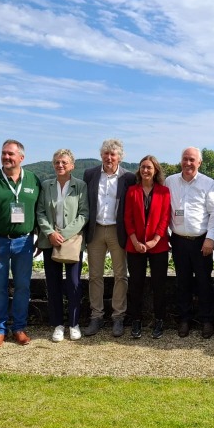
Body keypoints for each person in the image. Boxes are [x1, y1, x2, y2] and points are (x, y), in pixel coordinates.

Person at [0, 139, 41, 349]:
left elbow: (39, 211)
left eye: (11, 154)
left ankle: (19, 328)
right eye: (4, 153)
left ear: (21, 157)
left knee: (23, 287)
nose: (6, 157)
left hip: (24, 243)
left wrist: (39, 237)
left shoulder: (33, 180)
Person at [83, 139, 136, 337]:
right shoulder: (90, 174)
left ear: (120, 157)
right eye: (106, 153)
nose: (109, 157)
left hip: (117, 231)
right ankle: (96, 316)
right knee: (94, 276)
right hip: (95, 230)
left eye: (113, 154)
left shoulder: (128, 178)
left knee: (120, 275)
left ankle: (118, 317)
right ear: (101, 155)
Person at [166, 147, 214, 338]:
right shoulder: (170, 181)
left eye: (192, 159)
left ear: (199, 162)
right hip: (179, 241)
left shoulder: (208, 183)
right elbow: (165, 210)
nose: (188, 163)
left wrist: (210, 238)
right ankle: (184, 320)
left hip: (201, 242)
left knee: (204, 282)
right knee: (183, 282)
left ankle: (207, 320)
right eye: (185, 159)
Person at [36, 149, 89, 342]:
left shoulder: (80, 186)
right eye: (57, 162)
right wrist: (50, 233)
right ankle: (58, 324)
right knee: (54, 284)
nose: (60, 165)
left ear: (72, 165)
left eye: (64, 162)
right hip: (50, 241)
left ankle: (74, 324)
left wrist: (64, 235)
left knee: (74, 283)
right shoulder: (46, 185)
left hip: (72, 242)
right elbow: (40, 212)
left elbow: (84, 214)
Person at [124, 155, 171, 339]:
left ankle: (159, 320)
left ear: (155, 170)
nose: (145, 170)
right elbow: (127, 218)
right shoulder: (131, 191)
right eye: (143, 167)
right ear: (139, 170)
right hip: (134, 245)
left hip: (158, 246)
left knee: (159, 285)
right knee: (136, 285)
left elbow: (165, 218)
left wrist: (154, 240)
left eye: (149, 167)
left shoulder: (164, 192)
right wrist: (135, 241)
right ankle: (136, 320)